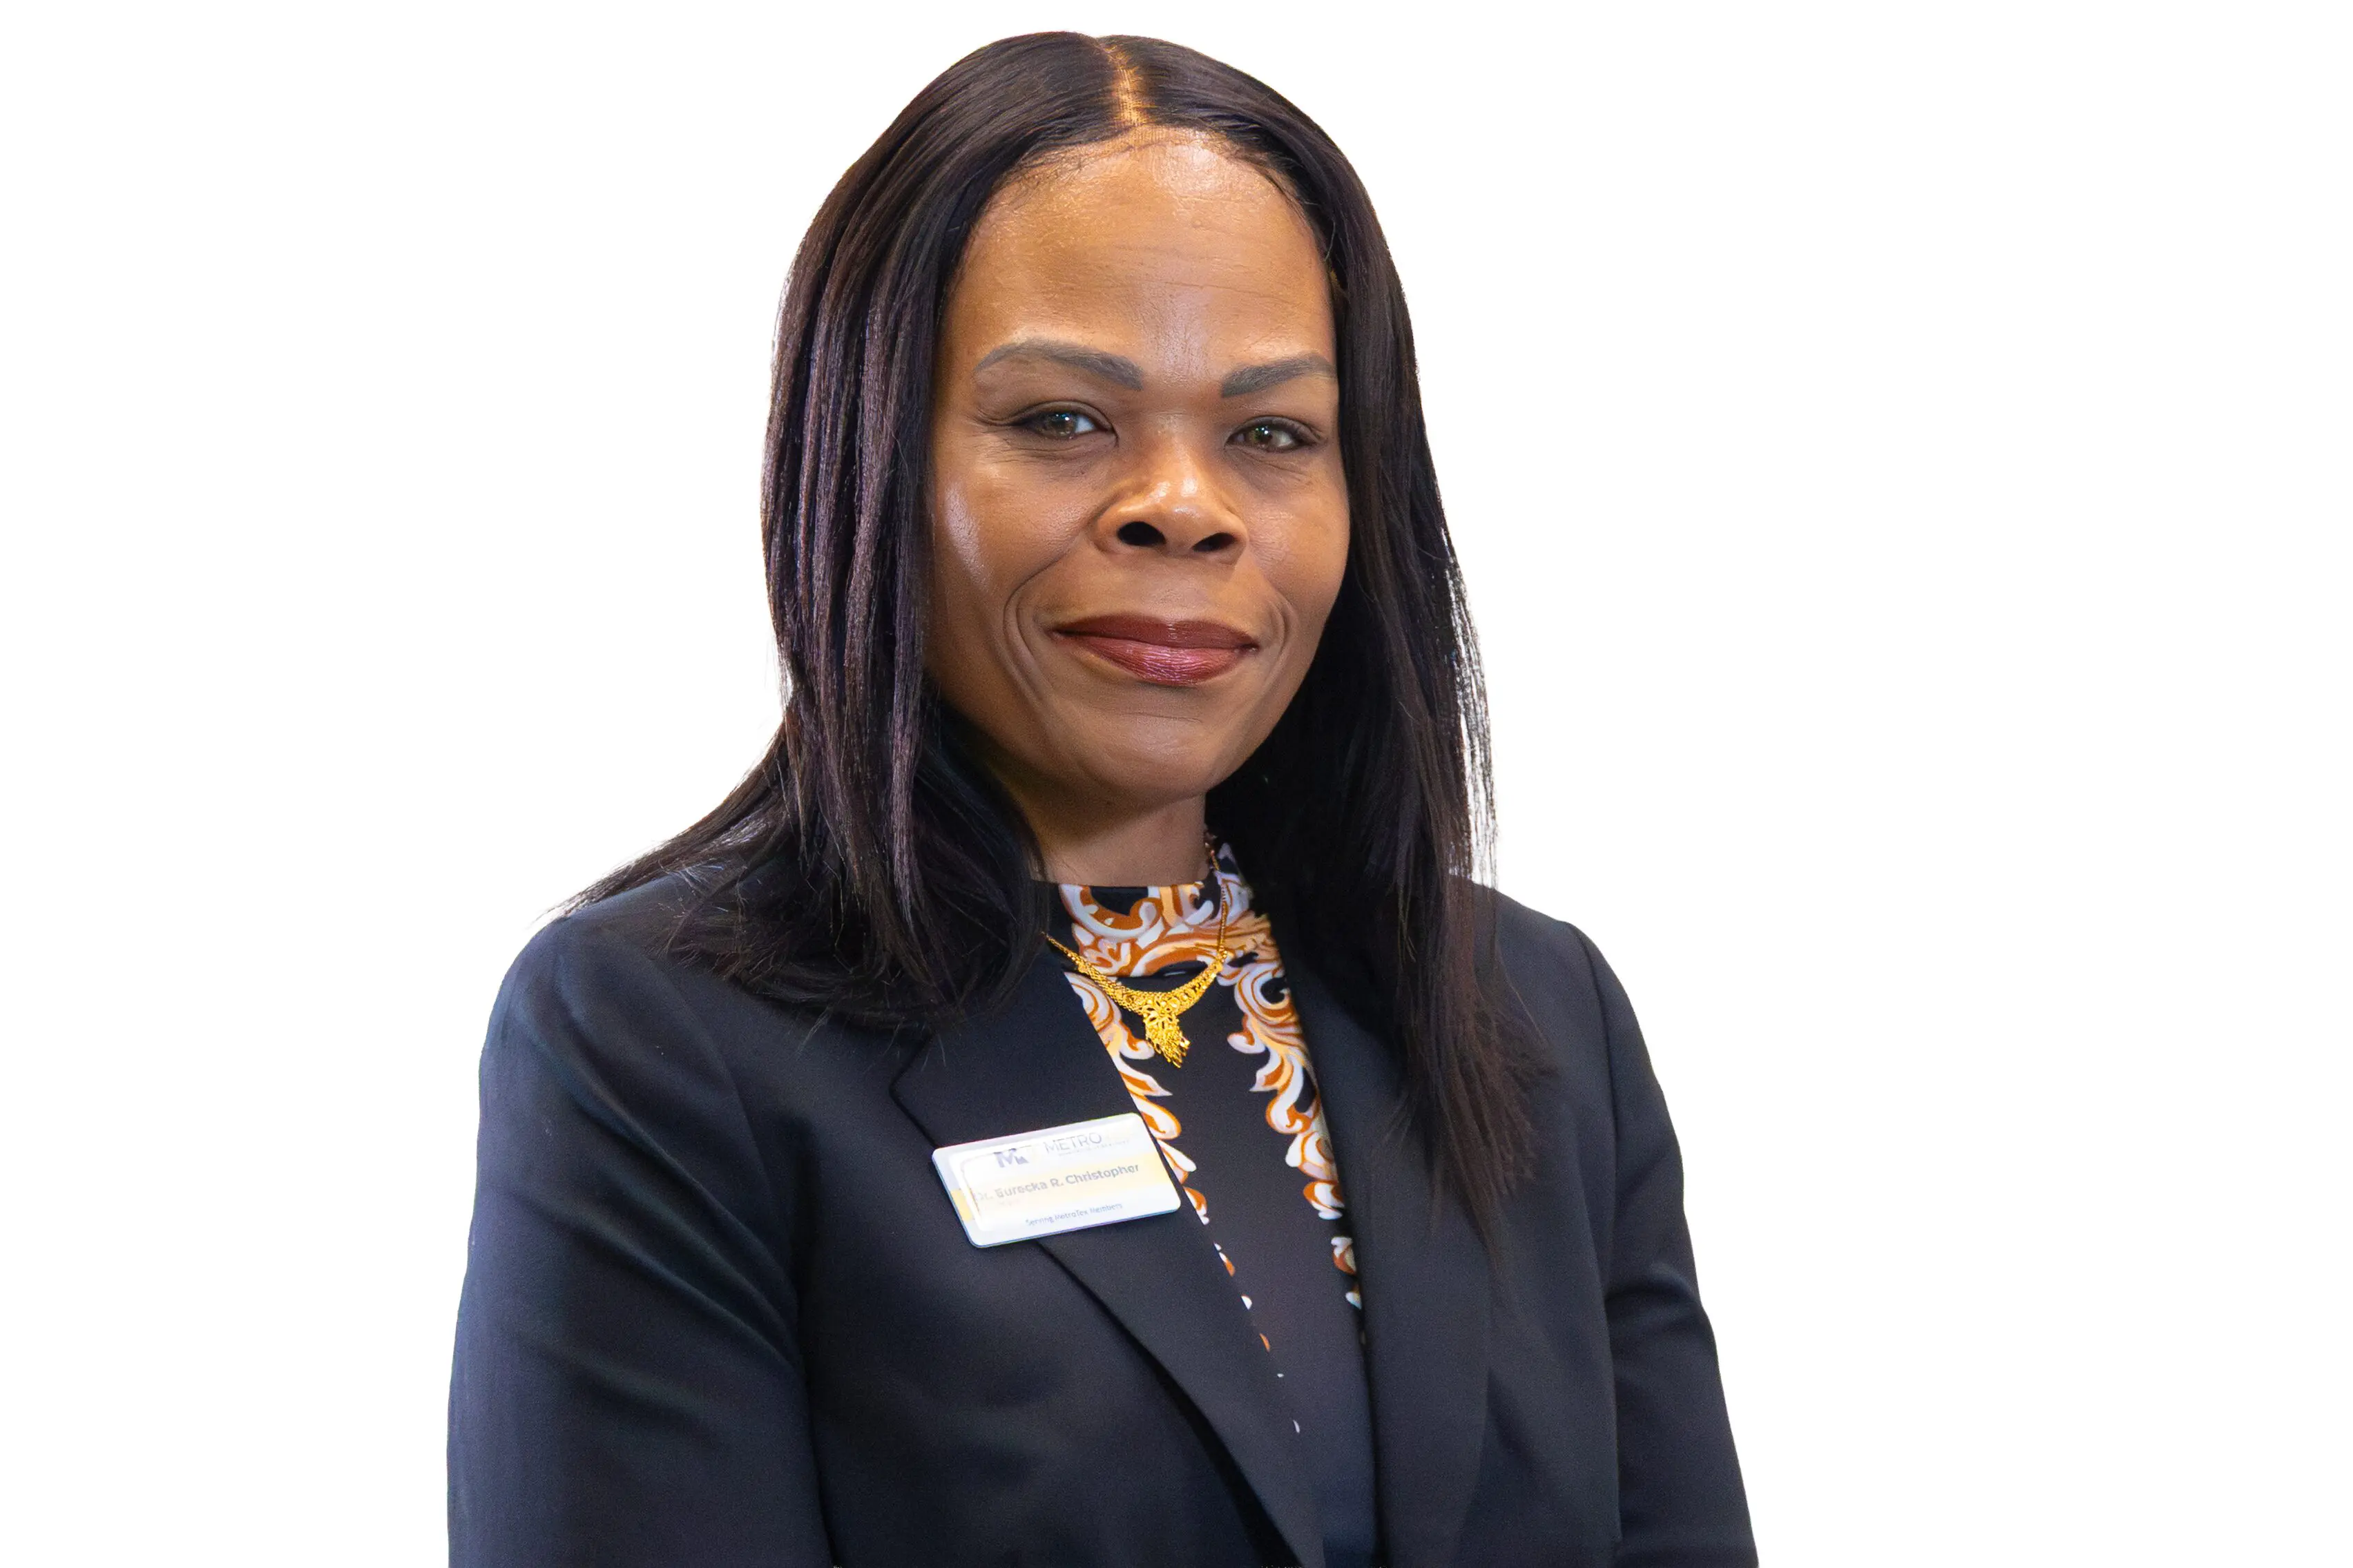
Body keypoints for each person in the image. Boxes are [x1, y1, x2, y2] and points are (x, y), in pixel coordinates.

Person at [448, 31, 1754, 1568]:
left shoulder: (1532, 1013)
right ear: (867, 457)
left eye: (1271, 434)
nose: (1183, 508)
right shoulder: (662, 1039)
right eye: (1062, 419)